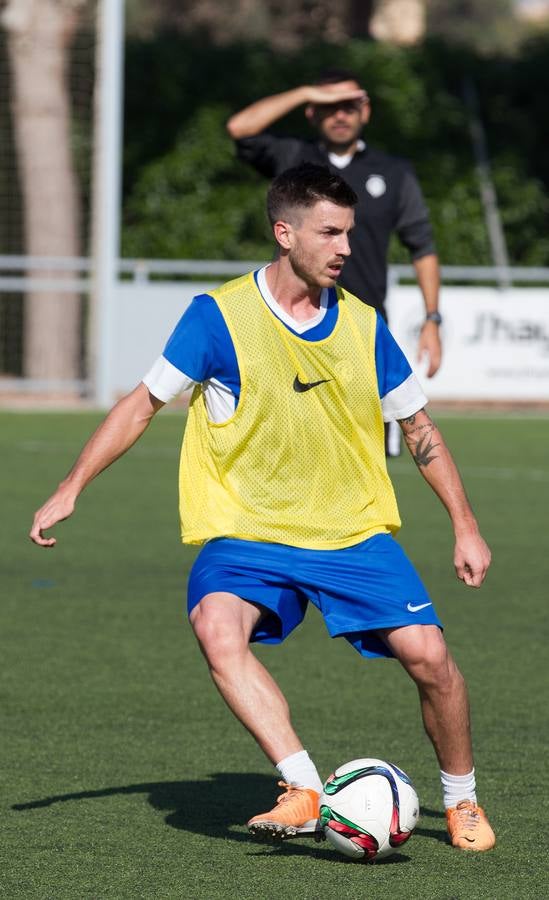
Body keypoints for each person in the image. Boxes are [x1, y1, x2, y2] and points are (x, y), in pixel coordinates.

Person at [30, 164, 495, 852]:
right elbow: (141, 405)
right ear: (284, 233)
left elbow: (419, 429)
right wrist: (71, 487)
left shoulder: (363, 326)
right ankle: (303, 783)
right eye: (329, 233)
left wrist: (465, 525)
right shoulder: (217, 317)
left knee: (430, 659)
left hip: (350, 530)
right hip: (248, 531)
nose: (345, 247)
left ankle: (460, 800)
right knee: (216, 628)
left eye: (350, 233)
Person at [226, 67, 443, 456]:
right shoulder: (294, 157)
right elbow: (240, 128)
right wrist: (306, 91)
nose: (340, 115)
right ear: (312, 112)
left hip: (362, 329)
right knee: (289, 451)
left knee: (370, 455)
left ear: (366, 112)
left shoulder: (394, 173)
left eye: (349, 105)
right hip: (290, 329)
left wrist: (432, 319)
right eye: (329, 106)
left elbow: (422, 247)